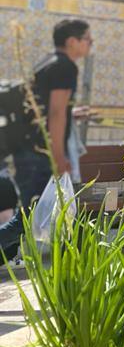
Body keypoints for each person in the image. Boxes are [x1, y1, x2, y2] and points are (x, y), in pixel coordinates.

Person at [0, 19, 93, 262]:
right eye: (88, 39)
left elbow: (38, 109)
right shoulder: (66, 67)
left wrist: (72, 113)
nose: (90, 44)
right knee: (25, 221)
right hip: (40, 154)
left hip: (27, 150)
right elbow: (55, 113)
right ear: (72, 41)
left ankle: (73, 266)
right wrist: (59, 156)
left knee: (32, 218)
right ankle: (75, 267)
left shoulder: (47, 62)